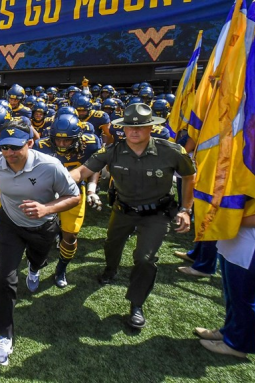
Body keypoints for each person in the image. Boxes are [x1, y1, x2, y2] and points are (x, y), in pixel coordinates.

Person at [69, 103, 196, 329]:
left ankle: (136, 304)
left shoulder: (172, 151)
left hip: (156, 214)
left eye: (141, 127)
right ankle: (110, 270)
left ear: (150, 128)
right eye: (130, 127)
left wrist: (186, 209)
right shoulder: (112, 151)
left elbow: (188, 176)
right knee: (111, 245)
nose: (135, 132)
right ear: (123, 129)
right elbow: (83, 171)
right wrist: (58, 181)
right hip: (123, 210)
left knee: (145, 259)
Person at [0, 118, 81, 366]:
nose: (9, 153)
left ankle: (35, 268)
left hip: (42, 226)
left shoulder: (50, 166)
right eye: (5, 147)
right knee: (4, 278)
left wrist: (46, 208)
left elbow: (74, 197)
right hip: (10, 224)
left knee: (38, 260)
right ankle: (5, 336)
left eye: (16, 147)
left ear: (30, 142)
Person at [34, 114, 102, 287]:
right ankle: (36, 262)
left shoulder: (90, 144)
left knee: (70, 235)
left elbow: (95, 166)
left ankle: (61, 267)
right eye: (58, 140)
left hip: (74, 192)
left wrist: (93, 188)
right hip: (46, 192)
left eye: (67, 141)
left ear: (78, 137)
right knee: (38, 232)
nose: (62, 144)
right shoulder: (41, 146)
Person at [194, 201, 255, 359]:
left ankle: (239, 344)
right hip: (235, 237)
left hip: (250, 244)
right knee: (231, 292)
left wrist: (227, 217)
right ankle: (229, 331)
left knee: (244, 297)